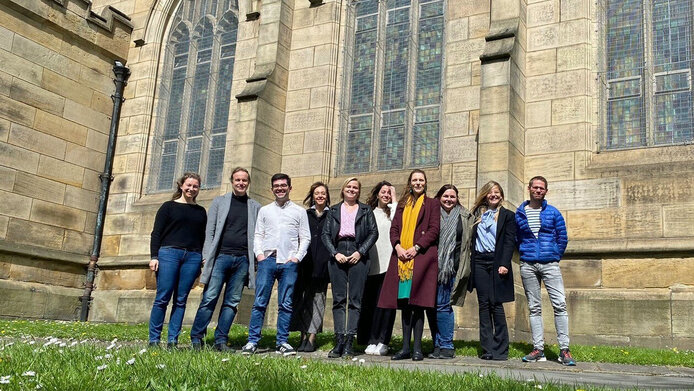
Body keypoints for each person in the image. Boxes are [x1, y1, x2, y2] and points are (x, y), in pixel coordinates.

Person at [189, 167, 261, 351]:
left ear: (248, 183)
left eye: (244, 180)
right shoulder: (219, 202)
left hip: (243, 260)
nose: (241, 183)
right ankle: (197, 338)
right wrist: (206, 256)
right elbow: (210, 231)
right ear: (232, 181)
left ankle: (221, 340)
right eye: (237, 180)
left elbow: (259, 235)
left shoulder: (255, 207)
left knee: (232, 301)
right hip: (221, 257)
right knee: (209, 297)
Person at [241, 173, 310, 356]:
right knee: (259, 302)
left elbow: (305, 237)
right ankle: (252, 341)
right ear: (272, 189)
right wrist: (260, 255)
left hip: (288, 262)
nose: (280, 188)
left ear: (290, 188)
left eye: (283, 185)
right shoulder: (265, 210)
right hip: (267, 261)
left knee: (286, 304)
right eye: (276, 186)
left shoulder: (299, 211)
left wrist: (297, 258)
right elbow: (257, 235)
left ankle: (282, 342)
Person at [378, 169, 440, 361]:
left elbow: (434, 229)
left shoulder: (432, 204)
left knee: (418, 304)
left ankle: (418, 349)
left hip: (420, 259)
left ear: (425, 183)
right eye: (415, 180)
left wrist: (416, 247)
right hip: (401, 258)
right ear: (410, 183)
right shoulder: (403, 205)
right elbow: (394, 228)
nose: (418, 183)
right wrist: (397, 246)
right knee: (405, 305)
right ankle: (405, 348)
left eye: (421, 180)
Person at [516, 176, 575, 366]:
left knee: (560, 304)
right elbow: (517, 238)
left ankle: (564, 350)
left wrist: (555, 255)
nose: (538, 190)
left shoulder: (554, 213)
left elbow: (562, 237)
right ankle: (538, 349)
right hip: (528, 264)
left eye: (542, 188)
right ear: (529, 189)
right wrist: (525, 253)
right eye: (535, 187)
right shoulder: (520, 213)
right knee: (534, 307)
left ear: (546, 191)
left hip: (550, 264)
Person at [148, 172, 207, 348]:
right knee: (162, 298)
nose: (191, 189)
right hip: (168, 254)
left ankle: (172, 340)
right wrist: (154, 257)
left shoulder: (201, 211)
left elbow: (202, 236)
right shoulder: (168, 207)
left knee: (181, 300)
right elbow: (156, 233)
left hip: (192, 257)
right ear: (181, 186)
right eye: (188, 185)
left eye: (195, 186)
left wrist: (201, 255)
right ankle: (154, 339)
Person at [321, 177, 378, 358]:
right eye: (349, 187)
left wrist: (360, 252)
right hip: (338, 253)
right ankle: (338, 340)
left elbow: (373, 232)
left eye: (355, 187)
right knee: (338, 300)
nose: (352, 190)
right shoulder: (334, 210)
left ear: (358, 191)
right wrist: (334, 253)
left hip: (357, 254)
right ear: (343, 190)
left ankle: (349, 342)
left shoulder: (365, 210)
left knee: (355, 300)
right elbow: (325, 234)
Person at [467, 181, 516, 360]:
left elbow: (510, 241)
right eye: (490, 192)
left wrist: (504, 263)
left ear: (501, 195)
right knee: (484, 304)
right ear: (485, 195)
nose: (493, 195)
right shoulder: (476, 215)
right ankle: (487, 349)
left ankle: (501, 350)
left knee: (496, 303)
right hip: (479, 261)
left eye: (496, 192)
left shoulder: (508, 216)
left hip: (497, 262)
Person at [426, 184, 472, 359]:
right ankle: (437, 344)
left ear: (457, 198)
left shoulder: (465, 215)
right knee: (432, 307)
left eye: (452, 197)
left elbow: (469, 241)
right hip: (431, 268)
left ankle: (446, 345)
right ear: (439, 197)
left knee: (444, 306)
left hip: (450, 268)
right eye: (446, 196)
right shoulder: (432, 215)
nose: (449, 200)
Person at [291, 182, 331, 353]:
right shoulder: (304, 214)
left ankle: (312, 337)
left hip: (323, 265)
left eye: (323, 193)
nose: (320, 196)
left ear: (327, 196)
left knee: (318, 301)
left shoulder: (333, 215)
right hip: (305, 264)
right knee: (302, 301)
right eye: (317, 193)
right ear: (312, 196)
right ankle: (302, 337)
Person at [360, 181, 398, 356]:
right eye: (383, 192)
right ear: (377, 194)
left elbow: (400, 226)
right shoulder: (369, 212)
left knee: (387, 305)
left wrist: (395, 200)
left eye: (389, 193)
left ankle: (383, 341)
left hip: (389, 264)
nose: (386, 195)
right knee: (371, 304)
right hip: (371, 264)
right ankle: (371, 339)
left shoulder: (394, 214)